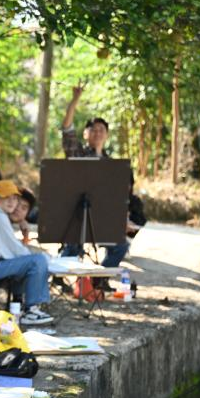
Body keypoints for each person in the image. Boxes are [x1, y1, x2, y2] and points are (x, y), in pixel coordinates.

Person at [60, 83, 146, 269]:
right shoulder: (78, 154)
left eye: (101, 130)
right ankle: (59, 277)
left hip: (102, 222)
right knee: (73, 247)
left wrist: (122, 220)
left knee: (120, 247)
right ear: (86, 134)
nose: (97, 133)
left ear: (107, 135)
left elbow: (118, 198)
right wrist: (75, 100)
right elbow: (66, 128)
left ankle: (98, 280)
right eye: (93, 129)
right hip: (77, 219)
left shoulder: (112, 165)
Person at [0, 180, 54, 326]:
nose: (11, 202)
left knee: (33, 262)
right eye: (6, 198)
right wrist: (43, 258)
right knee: (37, 261)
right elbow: (15, 250)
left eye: (14, 198)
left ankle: (22, 305)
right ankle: (31, 310)